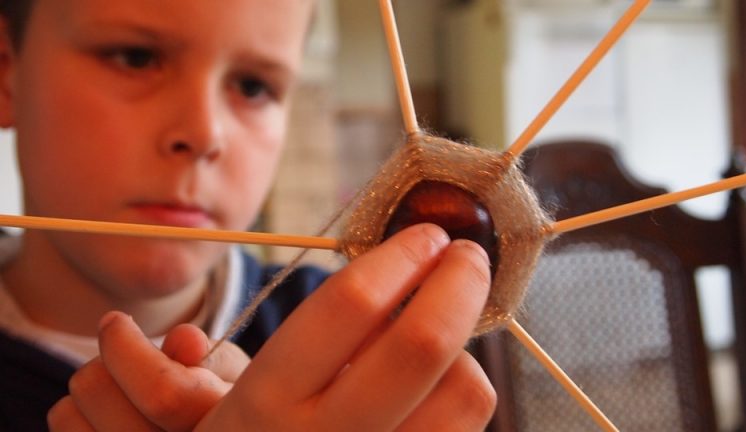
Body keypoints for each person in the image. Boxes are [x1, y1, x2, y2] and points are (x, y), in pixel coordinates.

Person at [0, 0, 496, 430]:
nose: (205, 133)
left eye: (254, 86)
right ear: (6, 69)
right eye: (137, 57)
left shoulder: (374, 351)